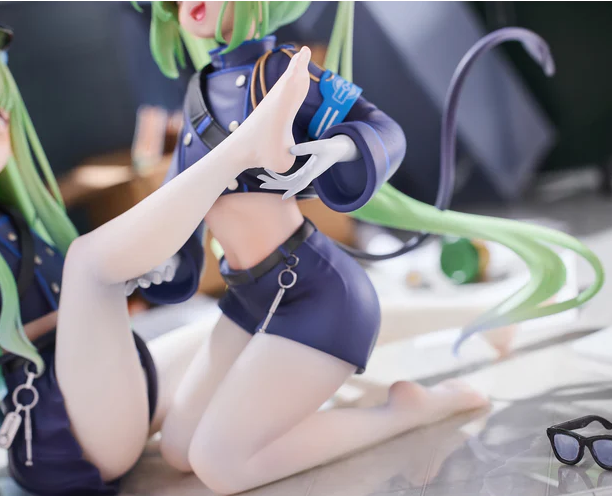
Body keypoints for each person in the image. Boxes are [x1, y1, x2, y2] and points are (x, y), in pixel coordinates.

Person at [136, 2, 605, 494]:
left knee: (220, 464)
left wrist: (339, 147)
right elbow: (179, 193)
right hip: (247, 298)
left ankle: (403, 413)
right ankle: (286, 401)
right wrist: (163, 256)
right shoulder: (199, 91)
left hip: (314, 298)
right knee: (178, 450)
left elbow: (385, 131)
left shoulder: (278, 72)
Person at [0, 2, 317, 495]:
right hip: (63, 432)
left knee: (237, 331)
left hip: (119, 392)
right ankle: (238, 150)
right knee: (87, 261)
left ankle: (384, 412)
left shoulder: (13, 217)